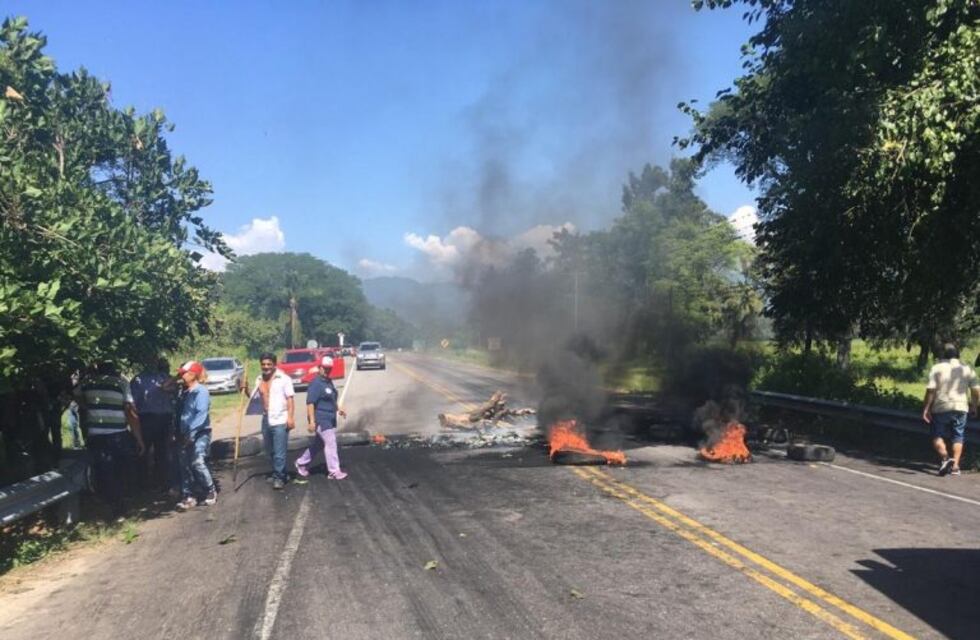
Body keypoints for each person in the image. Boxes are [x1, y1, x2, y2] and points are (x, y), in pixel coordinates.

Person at [75, 362, 145, 514]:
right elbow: (130, 411)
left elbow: (76, 395)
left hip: (95, 434)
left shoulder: (88, 383)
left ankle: (110, 502)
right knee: (120, 469)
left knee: (104, 469)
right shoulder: (120, 383)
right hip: (117, 433)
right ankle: (121, 503)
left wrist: (88, 407)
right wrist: (139, 438)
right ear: (114, 370)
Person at [922, 343, 980, 476]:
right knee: (958, 436)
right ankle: (956, 467)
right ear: (957, 354)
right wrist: (974, 406)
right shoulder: (967, 368)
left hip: (941, 407)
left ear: (942, 354)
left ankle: (946, 458)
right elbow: (976, 390)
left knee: (937, 435)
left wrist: (926, 408)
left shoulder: (937, 368)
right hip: (961, 407)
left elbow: (931, 390)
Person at [295, 356, 348, 480]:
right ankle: (334, 471)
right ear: (319, 368)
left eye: (329, 369)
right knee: (331, 443)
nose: (326, 371)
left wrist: (339, 408)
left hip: (330, 418)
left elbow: (331, 398)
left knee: (318, 445)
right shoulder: (316, 383)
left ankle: (301, 463)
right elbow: (310, 403)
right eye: (324, 368)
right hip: (321, 419)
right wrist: (312, 421)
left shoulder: (328, 382)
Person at [130, 357, 177, 492]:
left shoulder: (139, 379)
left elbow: (134, 402)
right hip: (152, 418)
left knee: (152, 450)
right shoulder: (162, 378)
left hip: (154, 418)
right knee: (157, 451)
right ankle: (156, 482)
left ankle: (150, 482)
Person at [175, 360, 217, 510]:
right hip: (183, 433)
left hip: (200, 432)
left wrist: (191, 433)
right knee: (184, 465)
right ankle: (188, 496)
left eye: (184, 373)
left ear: (193, 374)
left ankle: (210, 489)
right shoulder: (183, 392)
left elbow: (201, 414)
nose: (181, 375)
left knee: (197, 461)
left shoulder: (201, 391)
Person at [251, 353, 295, 490]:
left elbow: (290, 399)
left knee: (279, 451)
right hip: (266, 418)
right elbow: (255, 400)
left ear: (274, 365)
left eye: (269, 364)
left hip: (280, 419)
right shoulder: (258, 379)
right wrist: (245, 389)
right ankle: (279, 472)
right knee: (269, 450)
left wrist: (290, 418)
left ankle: (279, 478)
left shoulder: (284, 379)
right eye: (263, 364)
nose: (266, 367)